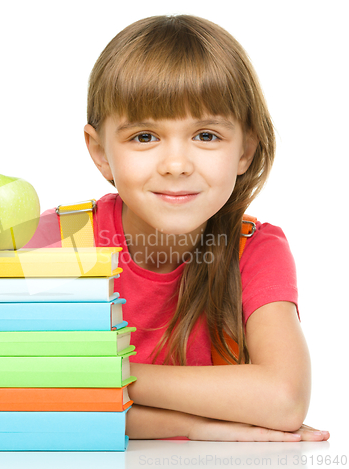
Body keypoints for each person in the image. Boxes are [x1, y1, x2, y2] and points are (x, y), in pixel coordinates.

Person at [26, 14, 329, 442]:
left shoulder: (255, 250)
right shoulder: (58, 242)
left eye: (206, 135)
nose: (176, 165)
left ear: (245, 151)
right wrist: (200, 426)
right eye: (145, 137)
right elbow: (35, 396)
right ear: (100, 152)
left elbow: (283, 398)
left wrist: (107, 375)